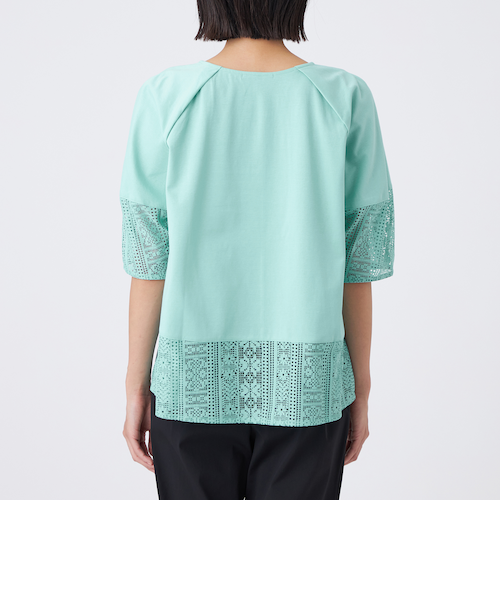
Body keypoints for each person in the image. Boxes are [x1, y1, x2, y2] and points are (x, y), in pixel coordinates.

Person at [120, 0, 395, 500]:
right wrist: (361, 388)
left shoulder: (166, 95)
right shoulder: (344, 97)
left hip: (188, 390)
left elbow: (149, 260)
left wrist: (136, 386)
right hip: (308, 388)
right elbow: (357, 265)